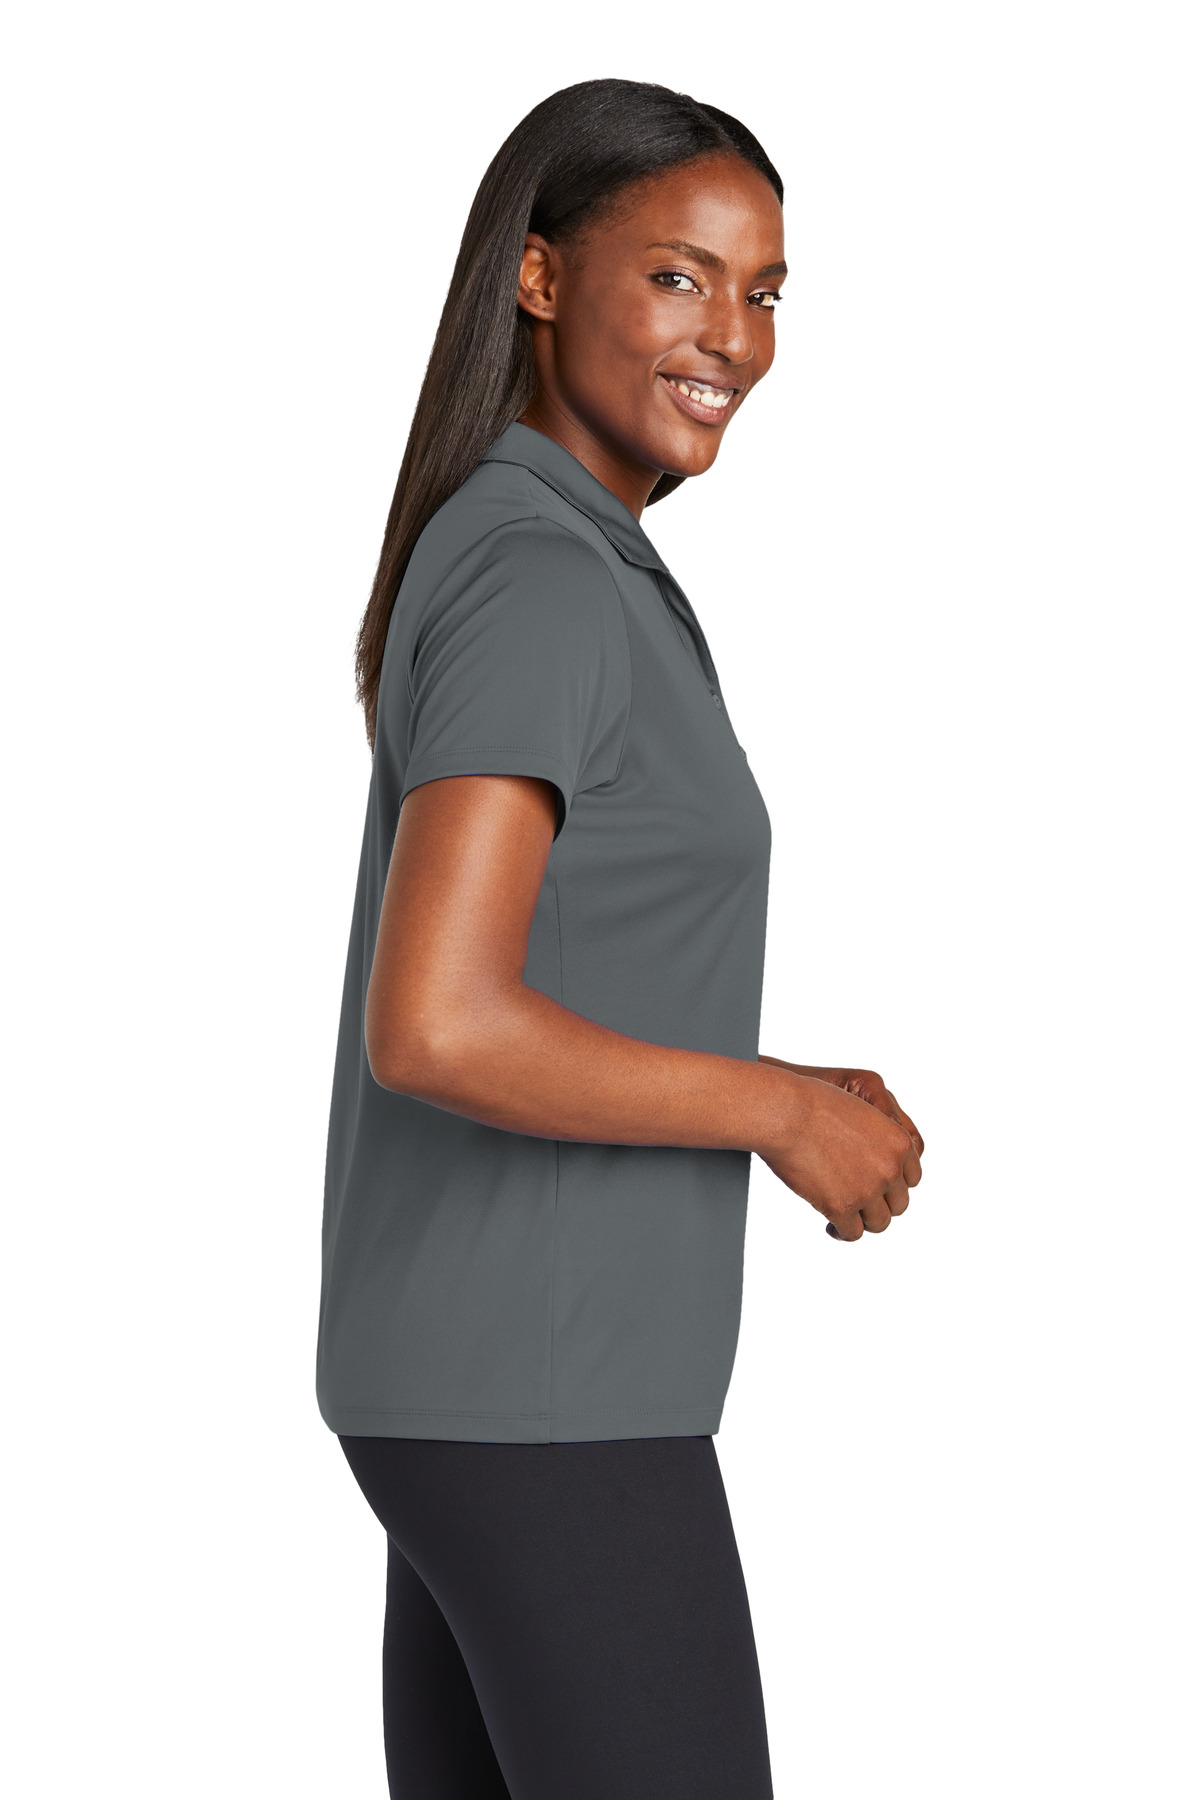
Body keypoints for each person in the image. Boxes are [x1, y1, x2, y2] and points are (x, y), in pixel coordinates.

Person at [316, 78, 923, 1800]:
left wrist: (774, 1078)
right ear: (538, 277)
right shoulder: (543, 577)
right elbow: (437, 1020)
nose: (733, 335)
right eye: (678, 277)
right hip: (549, 1396)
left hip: (481, 1388)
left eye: (764, 291)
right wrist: (772, 1108)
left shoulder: (540, 550)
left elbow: (530, 969)